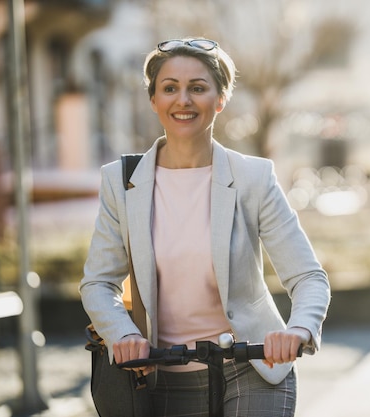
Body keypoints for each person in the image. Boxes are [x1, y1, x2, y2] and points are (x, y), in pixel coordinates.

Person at [80, 37, 331, 416]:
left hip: (253, 365)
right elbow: (98, 282)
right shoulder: (122, 181)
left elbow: (308, 276)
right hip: (160, 373)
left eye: (197, 88)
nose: (183, 100)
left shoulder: (252, 177)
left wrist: (299, 330)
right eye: (170, 88)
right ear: (154, 101)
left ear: (221, 98)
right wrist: (126, 335)